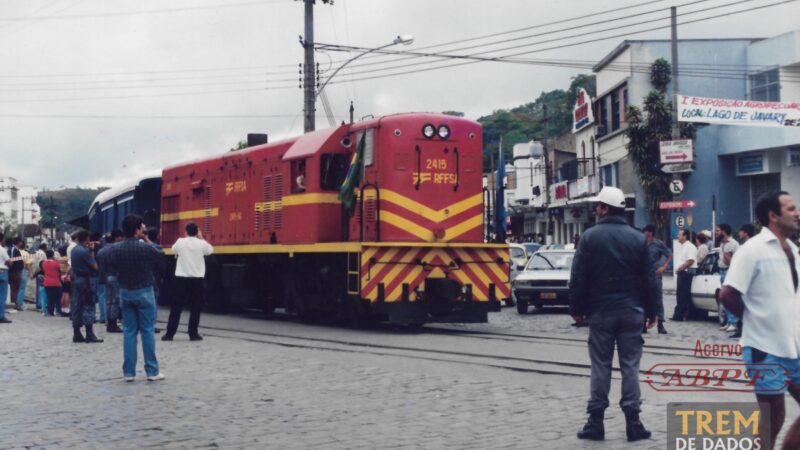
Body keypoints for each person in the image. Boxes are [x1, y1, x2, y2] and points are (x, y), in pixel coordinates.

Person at [569, 186, 657, 442]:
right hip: (632, 311)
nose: (596, 209)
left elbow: (578, 277)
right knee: (630, 366)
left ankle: (595, 422)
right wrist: (653, 311)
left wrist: (576, 309)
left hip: (601, 312)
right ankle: (633, 422)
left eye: (598, 206)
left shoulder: (589, 237)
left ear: (605, 209)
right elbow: (649, 279)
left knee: (600, 366)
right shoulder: (638, 238)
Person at [720, 191, 800, 450]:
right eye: (790, 208)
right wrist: (753, 318)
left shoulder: (794, 251)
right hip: (764, 349)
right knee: (773, 419)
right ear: (773, 216)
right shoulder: (753, 249)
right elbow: (727, 293)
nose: (797, 213)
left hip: (793, 346)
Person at [106, 215, 165, 382]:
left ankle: (129, 372)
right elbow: (160, 254)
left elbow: (112, 266)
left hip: (125, 291)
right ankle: (152, 371)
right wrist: (146, 238)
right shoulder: (145, 248)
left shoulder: (115, 249)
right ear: (138, 229)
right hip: (145, 291)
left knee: (129, 332)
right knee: (147, 331)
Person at [162, 222, 214, 342]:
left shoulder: (180, 242)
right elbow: (210, 250)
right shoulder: (202, 244)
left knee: (176, 307)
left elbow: (174, 249)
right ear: (197, 232)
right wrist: (201, 238)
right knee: (195, 307)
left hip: (181, 279)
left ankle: (170, 334)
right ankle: (193, 334)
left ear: (186, 231)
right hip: (197, 280)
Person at [69, 230, 102, 343]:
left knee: (77, 305)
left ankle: (76, 333)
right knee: (89, 305)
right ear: (87, 238)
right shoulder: (84, 251)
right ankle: (89, 333)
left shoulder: (74, 250)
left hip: (77, 279)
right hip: (87, 280)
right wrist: (92, 251)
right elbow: (95, 266)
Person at [642, 224, 672, 334]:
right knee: (644, 299)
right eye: (645, 231)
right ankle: (643, 323)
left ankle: (660, 324)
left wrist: (664, 266)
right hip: (644, 275)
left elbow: (669, 255)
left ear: (651, 233)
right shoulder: (641, 243)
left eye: (648, 231)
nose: (646, 233)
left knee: (657, 299)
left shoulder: (658, 244)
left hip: (655, 274)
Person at [96, 230, 123, 333]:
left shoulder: (101, 251)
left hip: (105, 277)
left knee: (108, 301)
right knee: (115, 301)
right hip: (115, 276)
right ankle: (113, 323)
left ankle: (109, 321)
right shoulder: (117, 249)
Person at [717, 223, 741, 336]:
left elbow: (732, 261)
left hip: (729, 271)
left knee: (729, 297)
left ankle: (733, 323)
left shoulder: (733, 243)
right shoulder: (722, 243)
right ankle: (728, 321)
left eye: (718, 230)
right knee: (724, 299)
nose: (716, 232)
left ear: (724, 231)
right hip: (722, 271)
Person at [671, 229, 698, 322]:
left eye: (679, 234)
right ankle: (678, 314)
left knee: (683, 294)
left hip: (686, 272)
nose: (677, 236)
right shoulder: (683, 246)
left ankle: (680, 315)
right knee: (679, 294)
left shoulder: (690, 247)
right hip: (682, 272)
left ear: (685, 236)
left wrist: (681, 268)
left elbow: (691, 260)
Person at [41, 250, 62, 316]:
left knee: (50, 298)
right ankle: (58, 311)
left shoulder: (43, 263)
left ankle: (50, 311)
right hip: (56, 282)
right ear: (53, 255)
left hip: (47, 282)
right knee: (57, 297)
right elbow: (60, 270)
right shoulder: (56, 263)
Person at [8, 238, 25, 311]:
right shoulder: (13, 249)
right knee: (14, 288)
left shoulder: (16, 250)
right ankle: (13, 304)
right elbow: (11, 260)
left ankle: (15, 303)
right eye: (21, 242)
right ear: (19, 242)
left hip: (17, 271)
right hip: (14, 272)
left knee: (16, 288)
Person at [0, 233, 10, 324]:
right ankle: (1, 316)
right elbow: (9, 261)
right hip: (2, 272)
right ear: (2, 240)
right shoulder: (2, 250)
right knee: (2, 296)